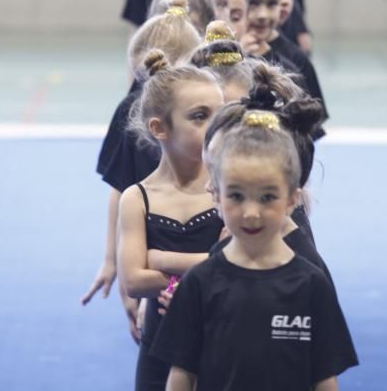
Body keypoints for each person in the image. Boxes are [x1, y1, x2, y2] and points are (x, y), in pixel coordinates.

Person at [150, 80, 358, 390]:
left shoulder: (311, 284)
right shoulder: (200, 283)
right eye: (236, 196)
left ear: (292, 199)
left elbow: (324, 378)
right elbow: (181, 375)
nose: (250, 212)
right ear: (216, 196)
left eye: (267, 197)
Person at [81, 0, 204, 343]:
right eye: (142, 78)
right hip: (150, 261)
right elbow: (120, 187)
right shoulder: (131, 110)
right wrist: (113, 260)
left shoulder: (206, 123)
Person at [117, 50, 225, 390]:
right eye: (199, 116)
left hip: (219, 338)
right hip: (161, 345)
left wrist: (161, 261)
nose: (214, 128)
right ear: (159, 127)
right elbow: (134, 279)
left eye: (220, 116)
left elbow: (236, 267)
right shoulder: (137, 198)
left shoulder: (227, 190)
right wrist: (205, 267)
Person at [231, 0, 327, 123]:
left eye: (272, 3)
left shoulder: (295, 63)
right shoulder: (216, 59)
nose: (263, 15)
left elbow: (312, 128)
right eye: (253, 2)